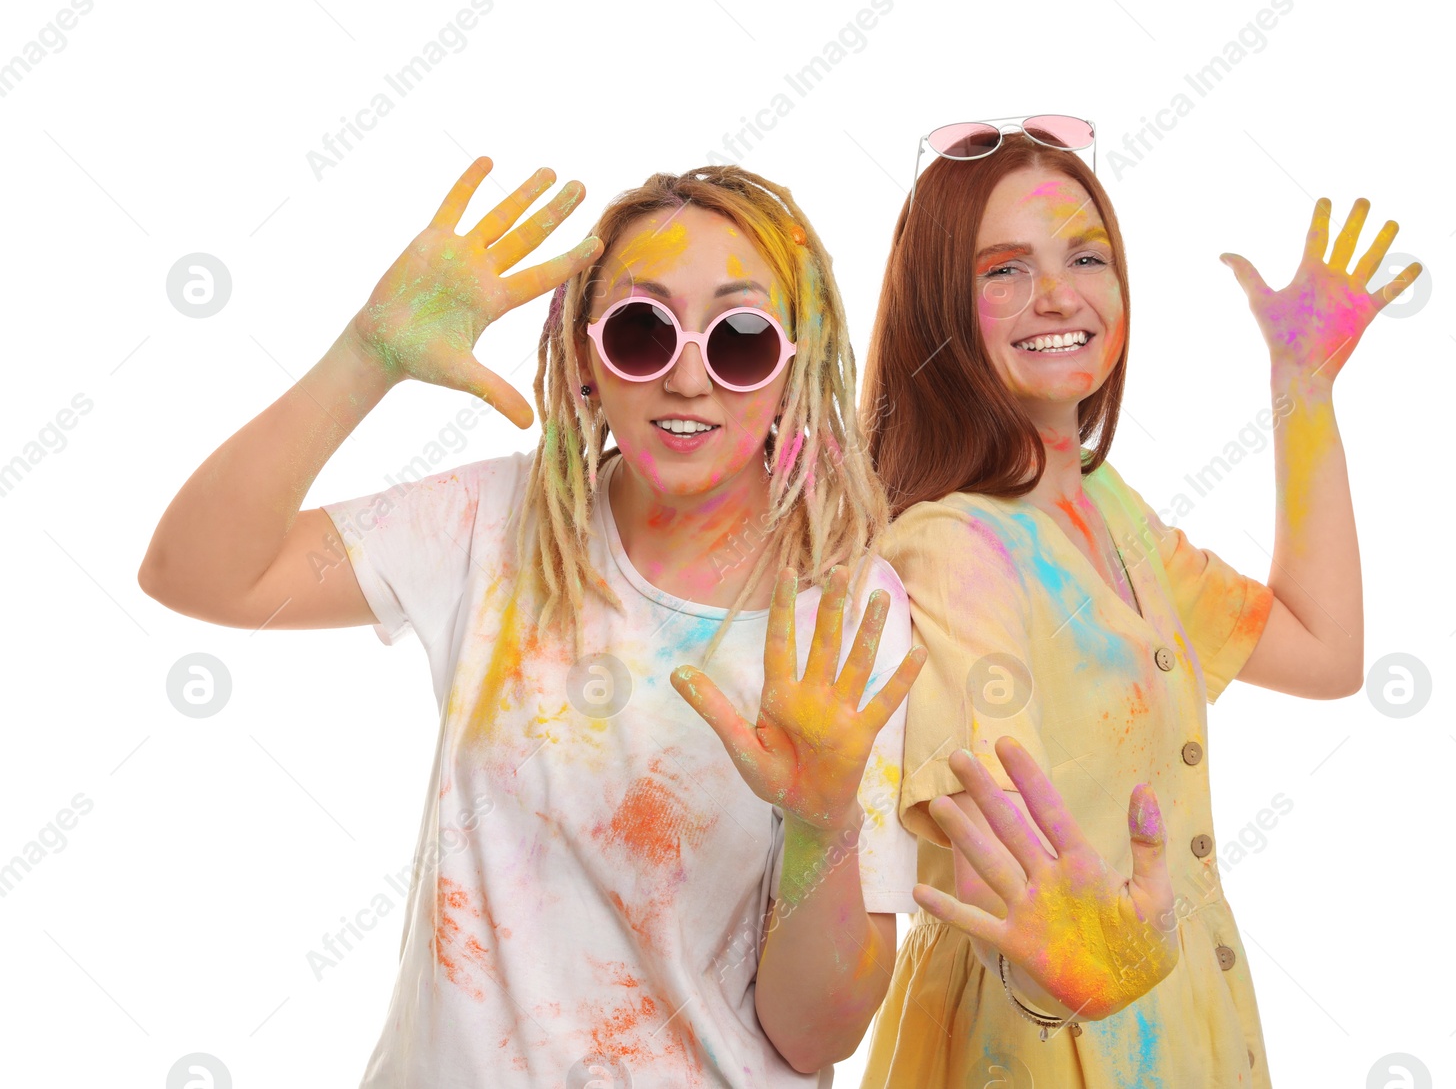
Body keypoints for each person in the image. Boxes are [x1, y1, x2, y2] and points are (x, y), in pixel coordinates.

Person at [137, 156, 928, 1087]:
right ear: (590, 362)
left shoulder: (849, 612)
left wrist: (823, 823)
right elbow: (195, 573)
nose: (686, 375)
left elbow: (814, 1036)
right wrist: (366, 356)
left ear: (796, 366)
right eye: (642, 330)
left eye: (740, 335)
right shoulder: (496, 524)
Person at [856, 121, 1422, 1086]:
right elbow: (1013, 869)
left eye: (1087, 256)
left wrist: (1304, 389)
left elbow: (1325, 654)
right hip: (1042, 1044)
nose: (1058, 295)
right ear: (938, 310)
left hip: (1179, 1022)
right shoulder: (954, 548)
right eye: (1003, 270)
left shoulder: (1109, 511)